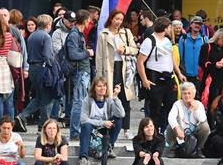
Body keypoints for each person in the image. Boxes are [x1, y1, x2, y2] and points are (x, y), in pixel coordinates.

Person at [95, 10, 139, 138]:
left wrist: (125, 50)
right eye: (116, 19)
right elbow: (99, 57)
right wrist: (99, 76)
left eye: (120, 19)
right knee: (108, 97)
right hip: (108, 69)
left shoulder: (126, 32)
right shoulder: (103, 34)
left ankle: (126, 128)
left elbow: (135, 49)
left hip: (124, 68)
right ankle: (108, 127)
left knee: (125, 98)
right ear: (111, 19)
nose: (118, 22)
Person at [138, 17, 185, 134]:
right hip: (155, 78)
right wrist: (144, 80)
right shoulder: (149, 41)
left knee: (171, 106)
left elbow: (171, 58)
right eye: (170, 27)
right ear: (165, 27)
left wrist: (179, 73)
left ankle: (166, 133)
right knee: (155, 110)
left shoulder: (167, 41)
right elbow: (140, 62)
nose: (171, 29)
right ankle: (153, 135)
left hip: (169, 78)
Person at [78, 77, 124, 165]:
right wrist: (102, 123)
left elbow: (121, 114)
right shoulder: (87, 100)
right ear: (94, 88)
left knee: (118, 120)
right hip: (92, 130)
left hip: (105, 130)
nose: (102, 88)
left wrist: (115, 98)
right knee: (86, 125)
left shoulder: (109, 100)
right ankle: (83, 158)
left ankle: (109, 147)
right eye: (99, 86)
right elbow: (83, 119)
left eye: (104, 86)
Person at [20, 14, 56, 127]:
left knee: (39, 97)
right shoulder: (46, 37)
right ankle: (44, 125)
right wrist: (53, 68)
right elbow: (48, 55)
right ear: (48, 24)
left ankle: (21, 116)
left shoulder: (32, 36)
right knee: (47, 98)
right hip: (42, 69)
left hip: (32, 69)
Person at [66, 10, 94, 140]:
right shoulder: (74, 35)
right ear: (84, 20)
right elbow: (73, 55)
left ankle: (77, 131)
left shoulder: (78, 34)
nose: (90, 22)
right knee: (78, 102)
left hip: (83, 72)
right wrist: (87, 53)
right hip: (79, 72)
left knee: (81, 102)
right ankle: (75, 133)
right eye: (89, 19)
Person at [165, 82, 210, 157]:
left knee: (205, 127)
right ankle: (172, 149)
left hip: (193, 133)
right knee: (171, 126)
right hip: (180, 133)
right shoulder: (177, 104)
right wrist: (177, 128)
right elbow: (171, 117)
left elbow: (202, 119)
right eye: (184, 93)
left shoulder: (198, 104)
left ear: (194, 94)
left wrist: (196, 109)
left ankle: (199, 149)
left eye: (189, 93)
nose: (187, 95)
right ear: (181, 95)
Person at [198, 28, 223, 105]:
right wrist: (215, 65)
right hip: (211, 80)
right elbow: (201, 62)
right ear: (217, 38)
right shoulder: (206, 46)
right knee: (211, 103)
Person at [179, 15, 208, 88]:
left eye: (200, 24)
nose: (197, 25)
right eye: (196, 23)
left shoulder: (205, 39)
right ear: (191, 24)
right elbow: (180, 57)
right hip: (186, 75)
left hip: (200, 75)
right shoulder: (183, 39)